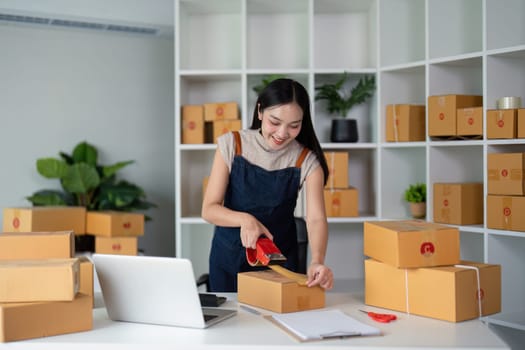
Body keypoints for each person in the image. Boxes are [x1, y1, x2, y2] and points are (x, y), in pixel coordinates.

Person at [201, 78, 334, 292]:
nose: (282, 133)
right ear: (260, 111)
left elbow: (316, 218)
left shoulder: (306, 160)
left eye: (294, 126)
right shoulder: (232, 144)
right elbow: (209, 210)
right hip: (228, 258)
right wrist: (245, 219)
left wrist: (317, 260)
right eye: (275, 121)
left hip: (278, 263)